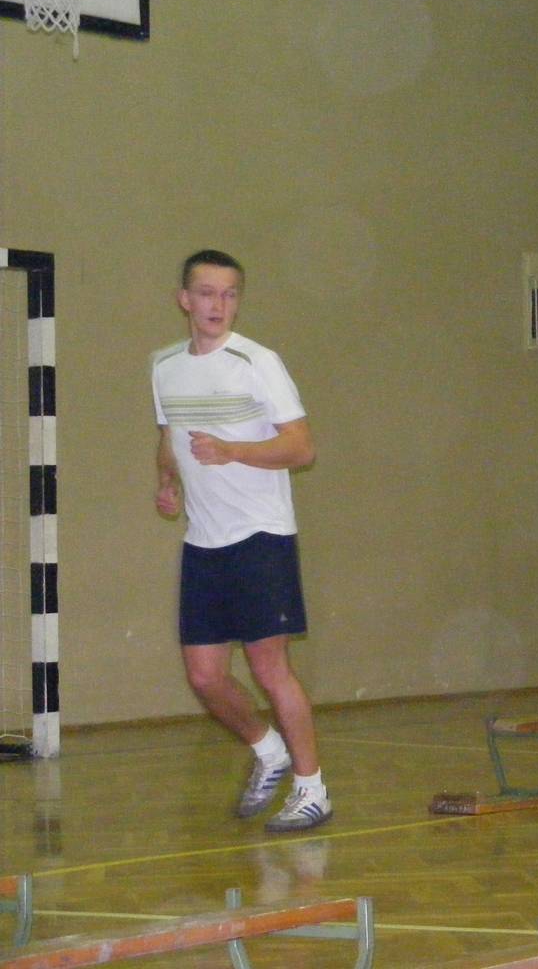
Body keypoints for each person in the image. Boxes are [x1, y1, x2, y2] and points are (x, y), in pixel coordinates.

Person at [152, 249, 331, 831]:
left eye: (230, 294)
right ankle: (268, 750)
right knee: (204, 676)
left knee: (269, 668)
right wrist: (167, 480)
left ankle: (312, 788)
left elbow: (301, 448)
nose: (218, 305)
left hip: (261, 536)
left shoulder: (258, 362)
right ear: (185, 299)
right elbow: (170, 434)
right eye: (207, 293)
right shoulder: (165, 367)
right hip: (204, 542)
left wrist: (234, 451)